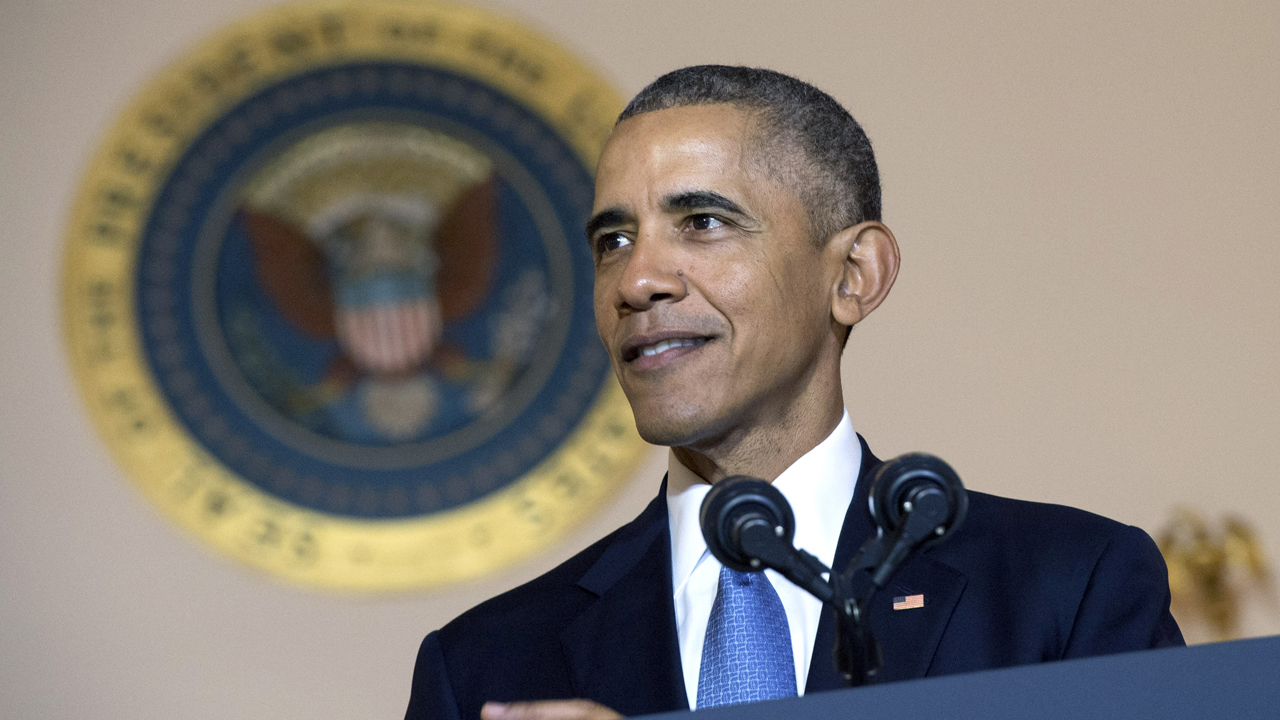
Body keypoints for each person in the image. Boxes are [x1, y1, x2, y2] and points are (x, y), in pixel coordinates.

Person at [404, 65, 1183, 720]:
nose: (636, 281)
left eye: (704, 222)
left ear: (853, 276)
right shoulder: (486, 666)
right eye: (613, 241)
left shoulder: (1067, 590)